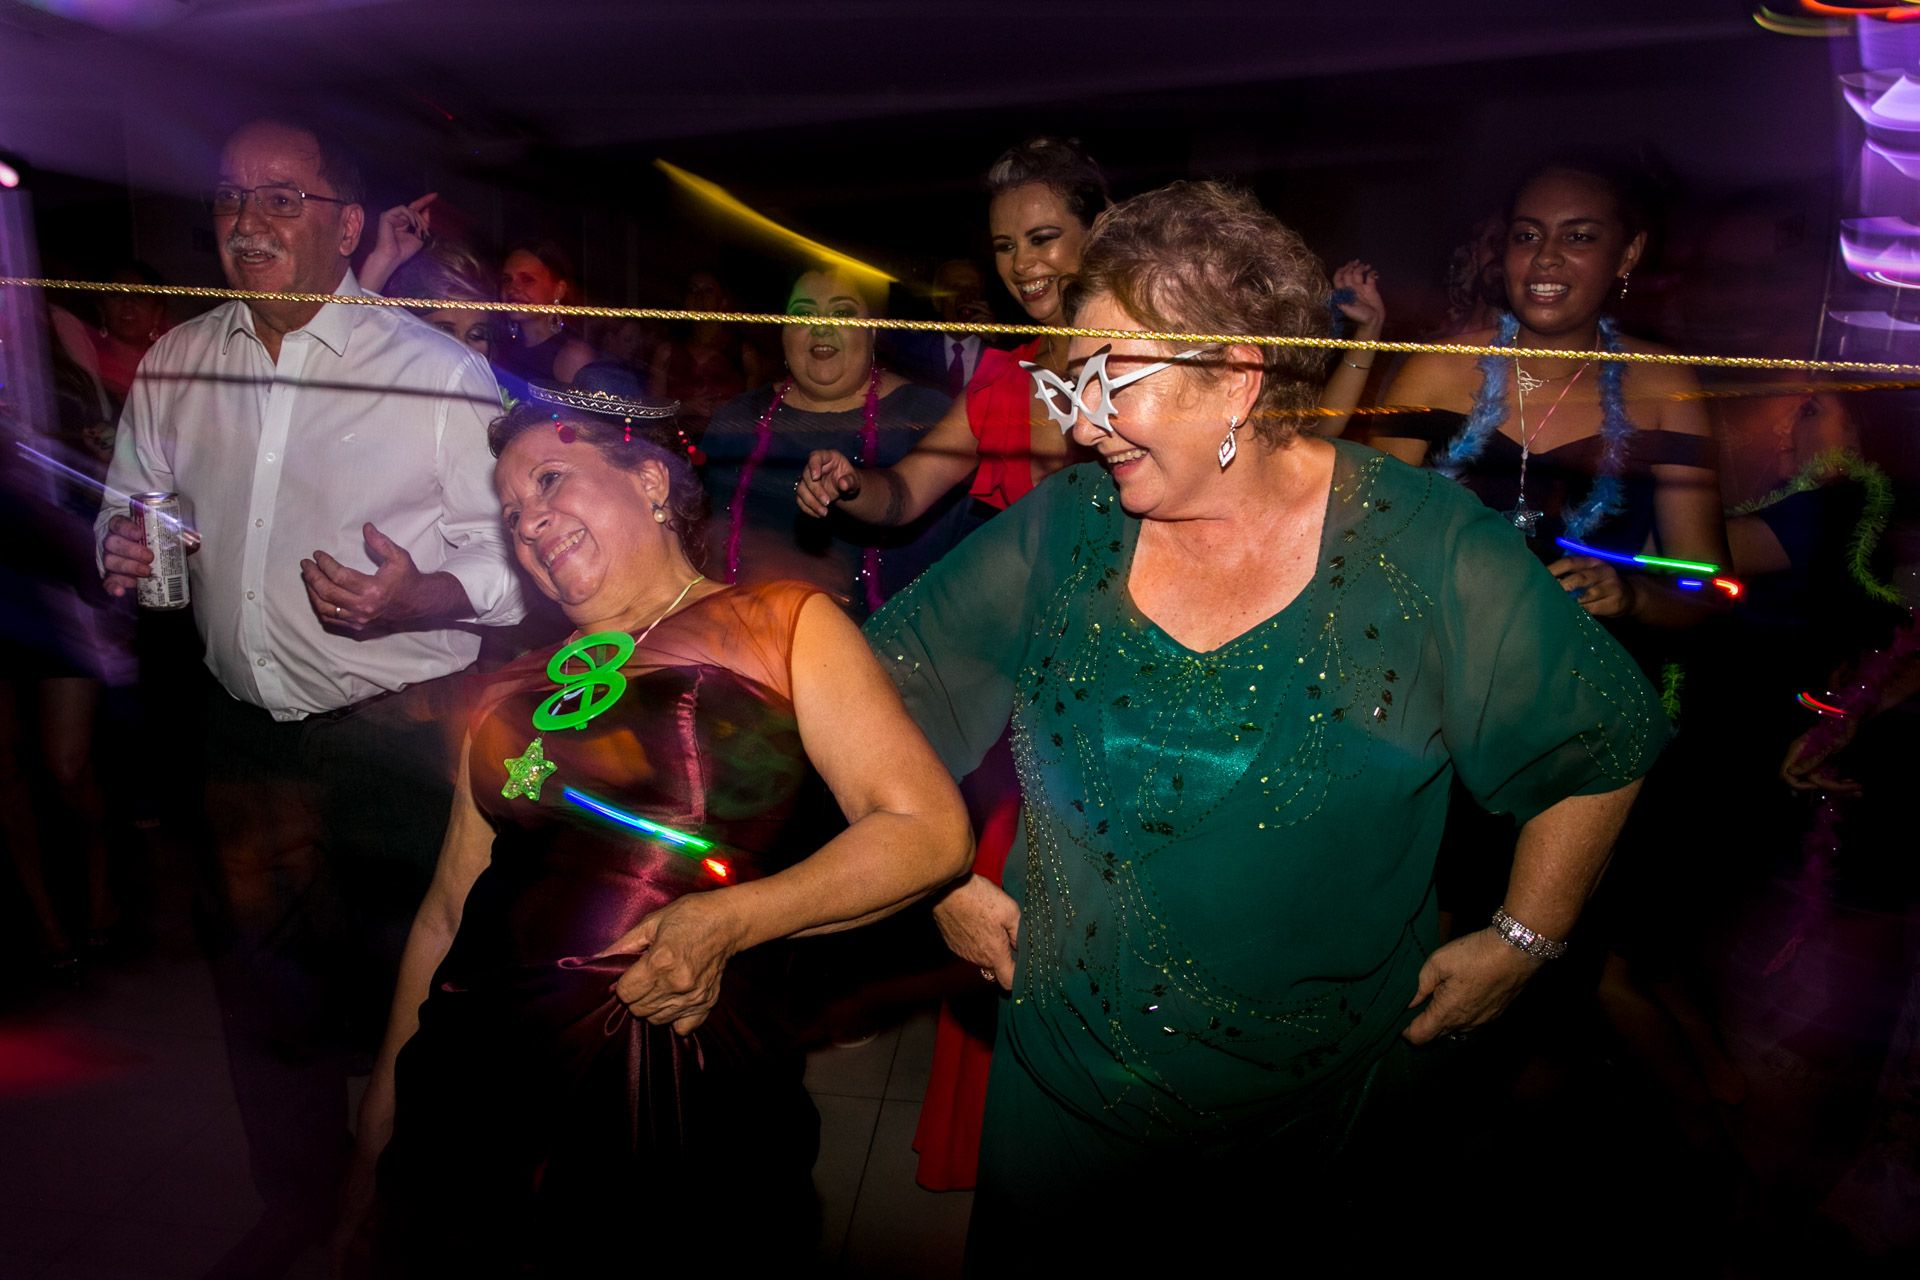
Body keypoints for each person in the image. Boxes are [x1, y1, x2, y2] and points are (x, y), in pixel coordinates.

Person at [863, 180, 1665, 1266]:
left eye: (1114, 377)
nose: (1080, 415)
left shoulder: (1427, 551)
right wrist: (937, 874)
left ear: (1237, 378)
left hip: (1321, 1123)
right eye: (1073, 375)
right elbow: (870, 692)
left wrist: (1526, 938)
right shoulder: (1065, 526)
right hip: (1064, 1103)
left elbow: (1603, 739)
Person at [338, 382, 970, 1273]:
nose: (528, 522)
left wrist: (729, 921)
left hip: (672, 1075)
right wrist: (375, 1135)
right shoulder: (508, 689)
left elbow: (924, 829)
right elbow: (446, 912)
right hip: (474, 1079)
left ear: (650, 482)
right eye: (512, 510)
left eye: (552, 480)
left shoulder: (777, 624)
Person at [92, 117, 524, 1277]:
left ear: (344, 223)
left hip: (401, 739)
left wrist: (417, 592)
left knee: (422, 997)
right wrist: (122, 551)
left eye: (283, 199)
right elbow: (131, 499)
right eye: (233, 198)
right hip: (242, 736)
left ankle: (410, 1212)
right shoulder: (182, 360)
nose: (248, 223)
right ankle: (295, 1204)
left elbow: (517, 558)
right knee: (264, 992)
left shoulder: (435, 374)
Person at [796, 136, 1108, 530]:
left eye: (1041, 239)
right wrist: (849, 485)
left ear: (1095, 232)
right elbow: (905, 491)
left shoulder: (1148, 354)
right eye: (1005, 246)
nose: (1021, 264)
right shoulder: (1000, 382)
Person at [703, 265, 962, 615]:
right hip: (752, 645)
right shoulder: (736, 421)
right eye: (803, 314)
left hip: (894, 655)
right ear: (783, 333)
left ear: (872, 332)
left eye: (842, 312)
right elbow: (706, 551)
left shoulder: (928, 418)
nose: (821, 327)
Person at [649, 268, 765, 433]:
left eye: (708, 290)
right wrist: (683, 408)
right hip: (677, 448)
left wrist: (730, 409)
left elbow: (756, 416)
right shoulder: (666, 352)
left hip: (728, 449)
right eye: (692, 290)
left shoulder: (744, 354)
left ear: (722, 301)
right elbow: (652, 412)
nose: (699, 297)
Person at [885, 257, 996, 395]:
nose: (966, 297)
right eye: (955, 288)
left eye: (973, 289)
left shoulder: (999, 349)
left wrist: (996, 341)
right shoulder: (913, 349)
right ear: (937, 301)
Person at [495, 237, 597, 385]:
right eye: (507, 280)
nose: (512, 288)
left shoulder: (572, 355)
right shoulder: (498, 347)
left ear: (558, 290)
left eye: (527, 279)